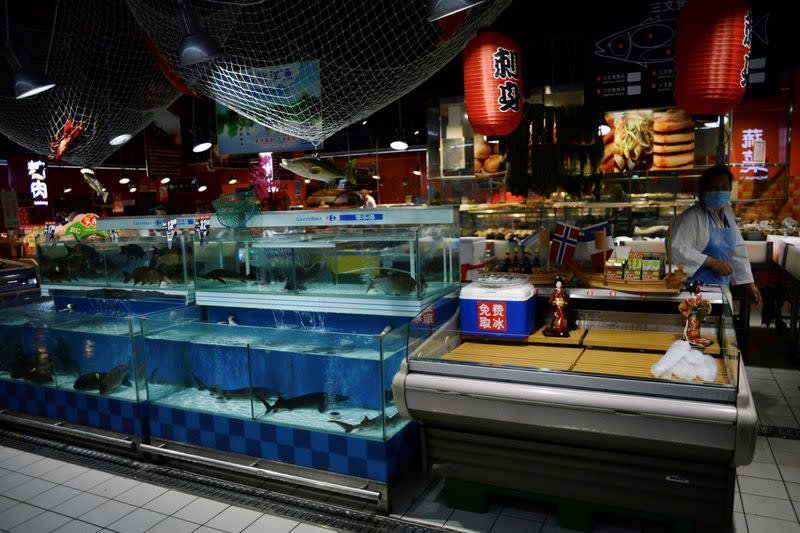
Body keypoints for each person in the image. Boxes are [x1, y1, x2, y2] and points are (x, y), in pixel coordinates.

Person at [672, 164, 760, 303]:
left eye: (724, 188)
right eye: (714, 188)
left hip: (722, 291)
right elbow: (677, 249)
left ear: (730, 190)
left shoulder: (728, 216)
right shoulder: (692, 217)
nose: (720, 192)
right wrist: (711, 262)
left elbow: (738, 251)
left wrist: (750, 284)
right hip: (693, 294)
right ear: (703, 191)